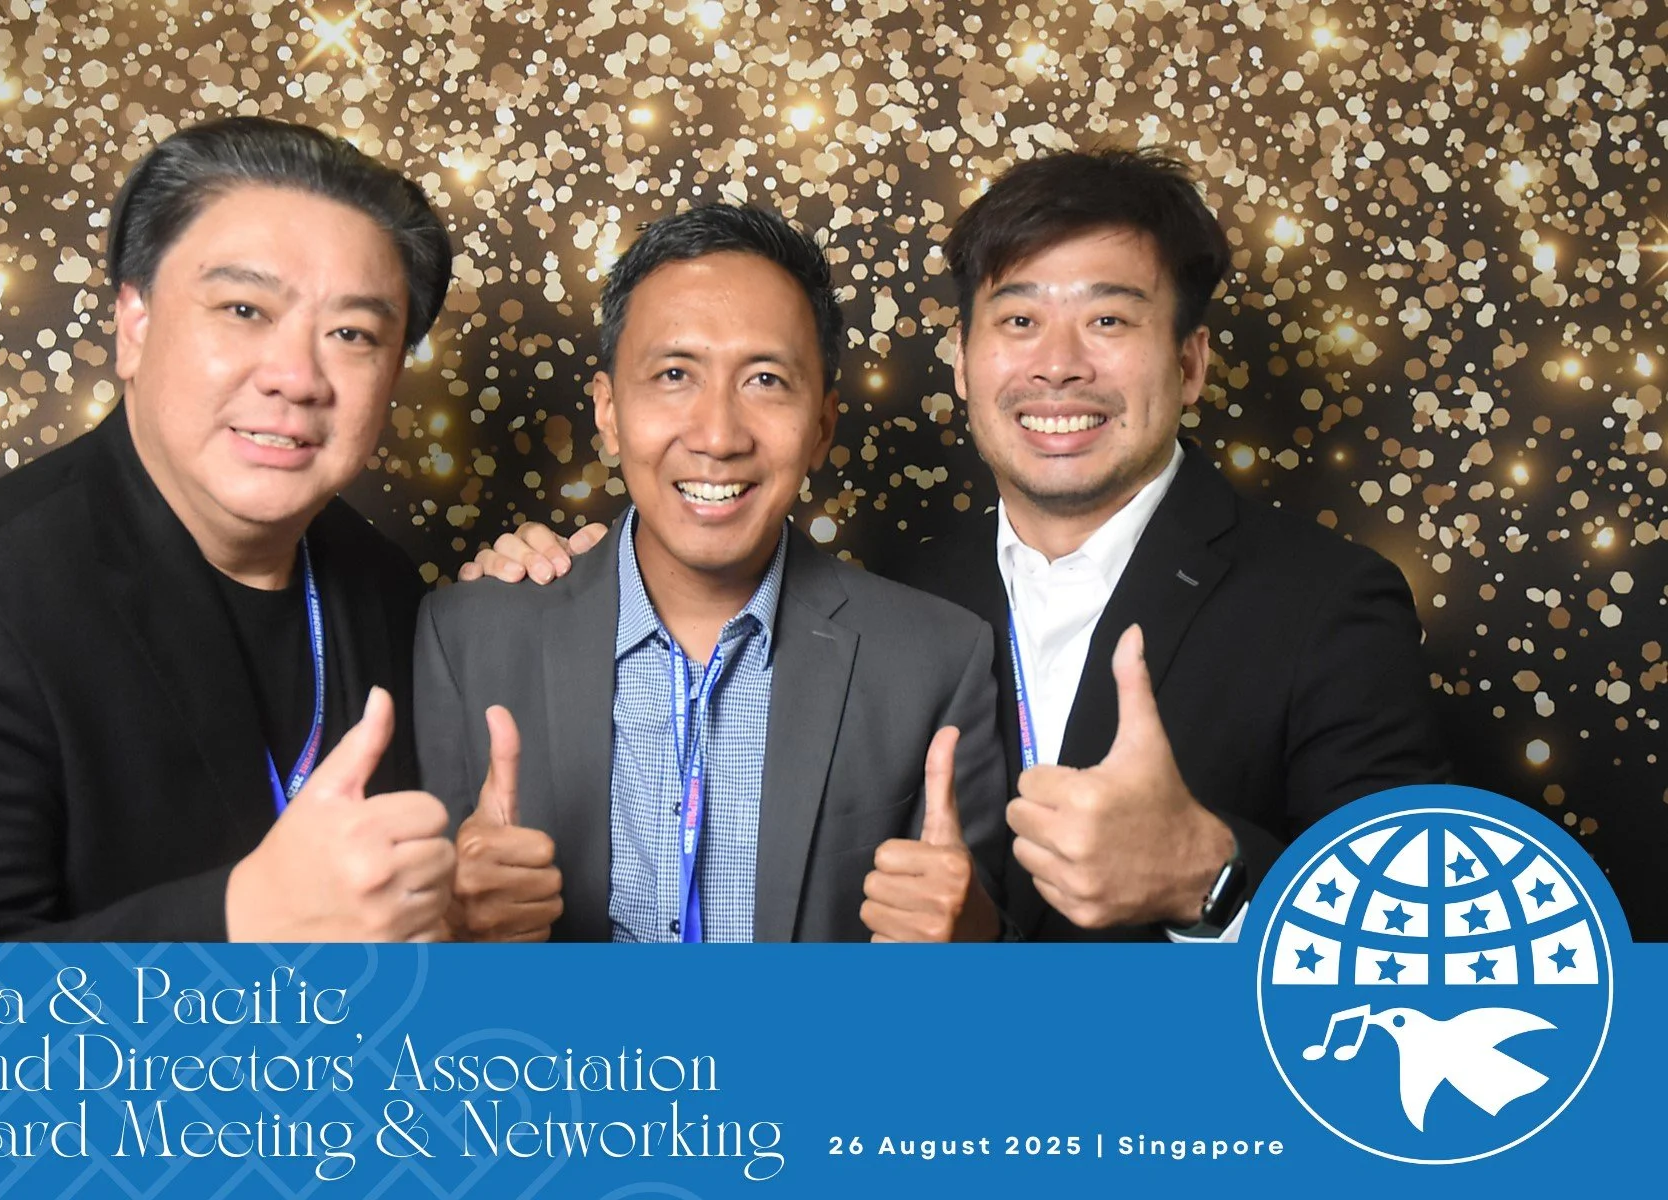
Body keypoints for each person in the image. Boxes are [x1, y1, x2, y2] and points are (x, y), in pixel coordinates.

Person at [462, 149, 1451, 942]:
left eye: (1109, 318)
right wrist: (567, 578)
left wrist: (1215, 881)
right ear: (966, 362)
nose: (1058, 366)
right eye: (1018, 319)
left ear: (1189, 364)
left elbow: (1428, 954)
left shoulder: (1327, 604)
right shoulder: (891, 593)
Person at [0, 117, 459, 942]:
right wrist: (245, 923)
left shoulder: (386, 584)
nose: (295, 377)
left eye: (352, 334)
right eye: (245, 308)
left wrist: (460, 908)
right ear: (135, 324)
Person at [414, 205, 1006, 943]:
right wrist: (446, 929)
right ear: (607, 412)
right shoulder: (467, 638)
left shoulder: (937, 658)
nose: (718, 437)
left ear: (822, 425)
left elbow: (976, 958)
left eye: (764, 379)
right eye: (673, 374)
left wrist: (972, 938)